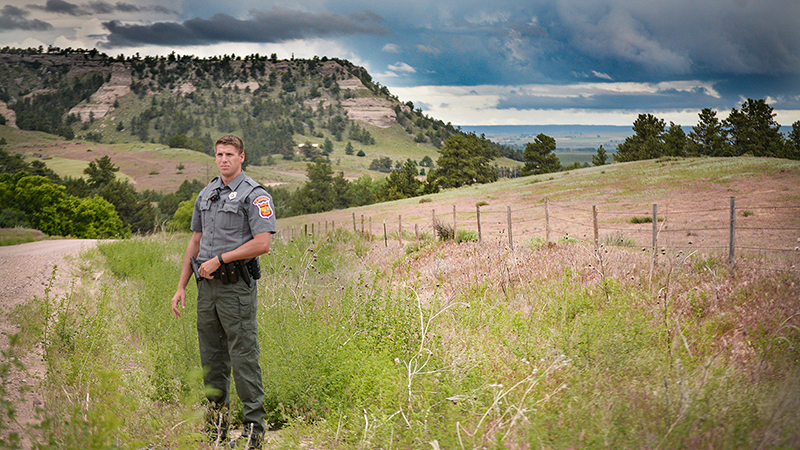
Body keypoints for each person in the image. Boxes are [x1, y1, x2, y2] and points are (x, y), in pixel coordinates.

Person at [171, 134, 275, 449]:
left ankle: (254, 432)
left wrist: (221, 259)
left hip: (236, 289)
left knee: (243, 357)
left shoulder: (254, 195)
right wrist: (181, 286)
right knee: (212, 360)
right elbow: (195, 241)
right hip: (207, 291)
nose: (223, 159)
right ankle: (216, 430)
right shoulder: (206, 194)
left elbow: (263, 243)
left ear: (242, 157)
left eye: (230, 154)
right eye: (219, 154)